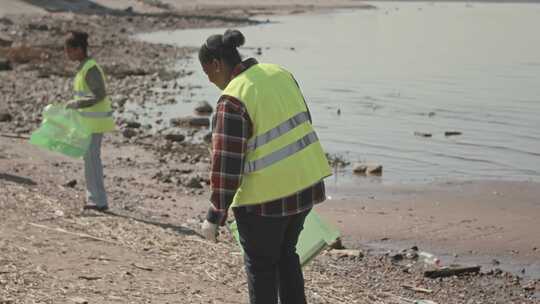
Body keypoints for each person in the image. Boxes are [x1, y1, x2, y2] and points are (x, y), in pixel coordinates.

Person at [199, 29, 332, 304]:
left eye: (208, 74)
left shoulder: (233, 98)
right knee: (287, 256)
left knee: (261, 268)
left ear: (216, 64)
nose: (211, 81)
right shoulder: (280, 73)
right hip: (305, 189)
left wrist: (215, 215)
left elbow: (226, 166)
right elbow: (303, 120)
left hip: (263, 204)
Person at [64, 31, 115, 211]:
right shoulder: (84, 67)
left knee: (92, 161)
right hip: (88, 124)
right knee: (90, 160)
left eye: (69, 50)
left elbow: (99, 94)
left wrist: (76, 103)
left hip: (95, 124)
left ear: (78, 49)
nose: (67, 54)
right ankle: (93, 198)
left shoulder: (90, 68)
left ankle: (99, 201)